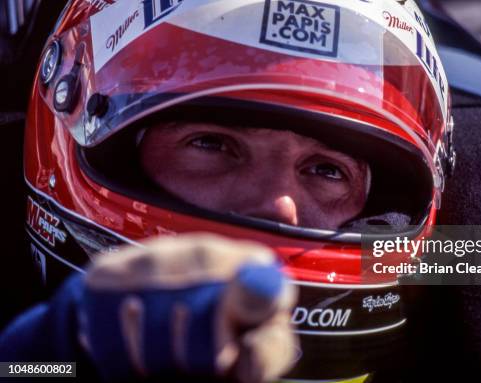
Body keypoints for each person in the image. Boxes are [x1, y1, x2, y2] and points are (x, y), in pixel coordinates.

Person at [2, 0, 454, 381]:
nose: (279, 206)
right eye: (211, 144)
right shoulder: (34, 355)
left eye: (327, 170)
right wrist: (47, 360)